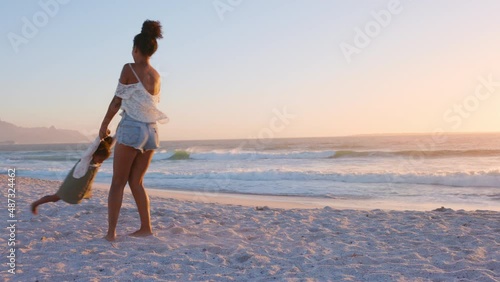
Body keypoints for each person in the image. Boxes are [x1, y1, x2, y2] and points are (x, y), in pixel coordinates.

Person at [99, 20, 168, 241]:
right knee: (136, 181)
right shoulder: (157, 75)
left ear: (135, 49)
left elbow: (117, 100)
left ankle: (111, 233)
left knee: (118, 182)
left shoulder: (129, 68)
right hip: (152, 132)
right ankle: (146, 227)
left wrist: (104, 124)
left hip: (132, 129)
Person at [31, 136, 114, 215]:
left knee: (56, 198)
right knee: (55, 198)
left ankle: (36, 203)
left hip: (79, 185)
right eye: (100, 159)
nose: (101, 162)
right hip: (72, 183)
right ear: (94, 154)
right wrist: (100, 136)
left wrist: (121, 129)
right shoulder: (86, 159)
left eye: (103, 160)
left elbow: (113, 141)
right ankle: (36, 203)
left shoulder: (97, 161)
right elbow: (94, 146)